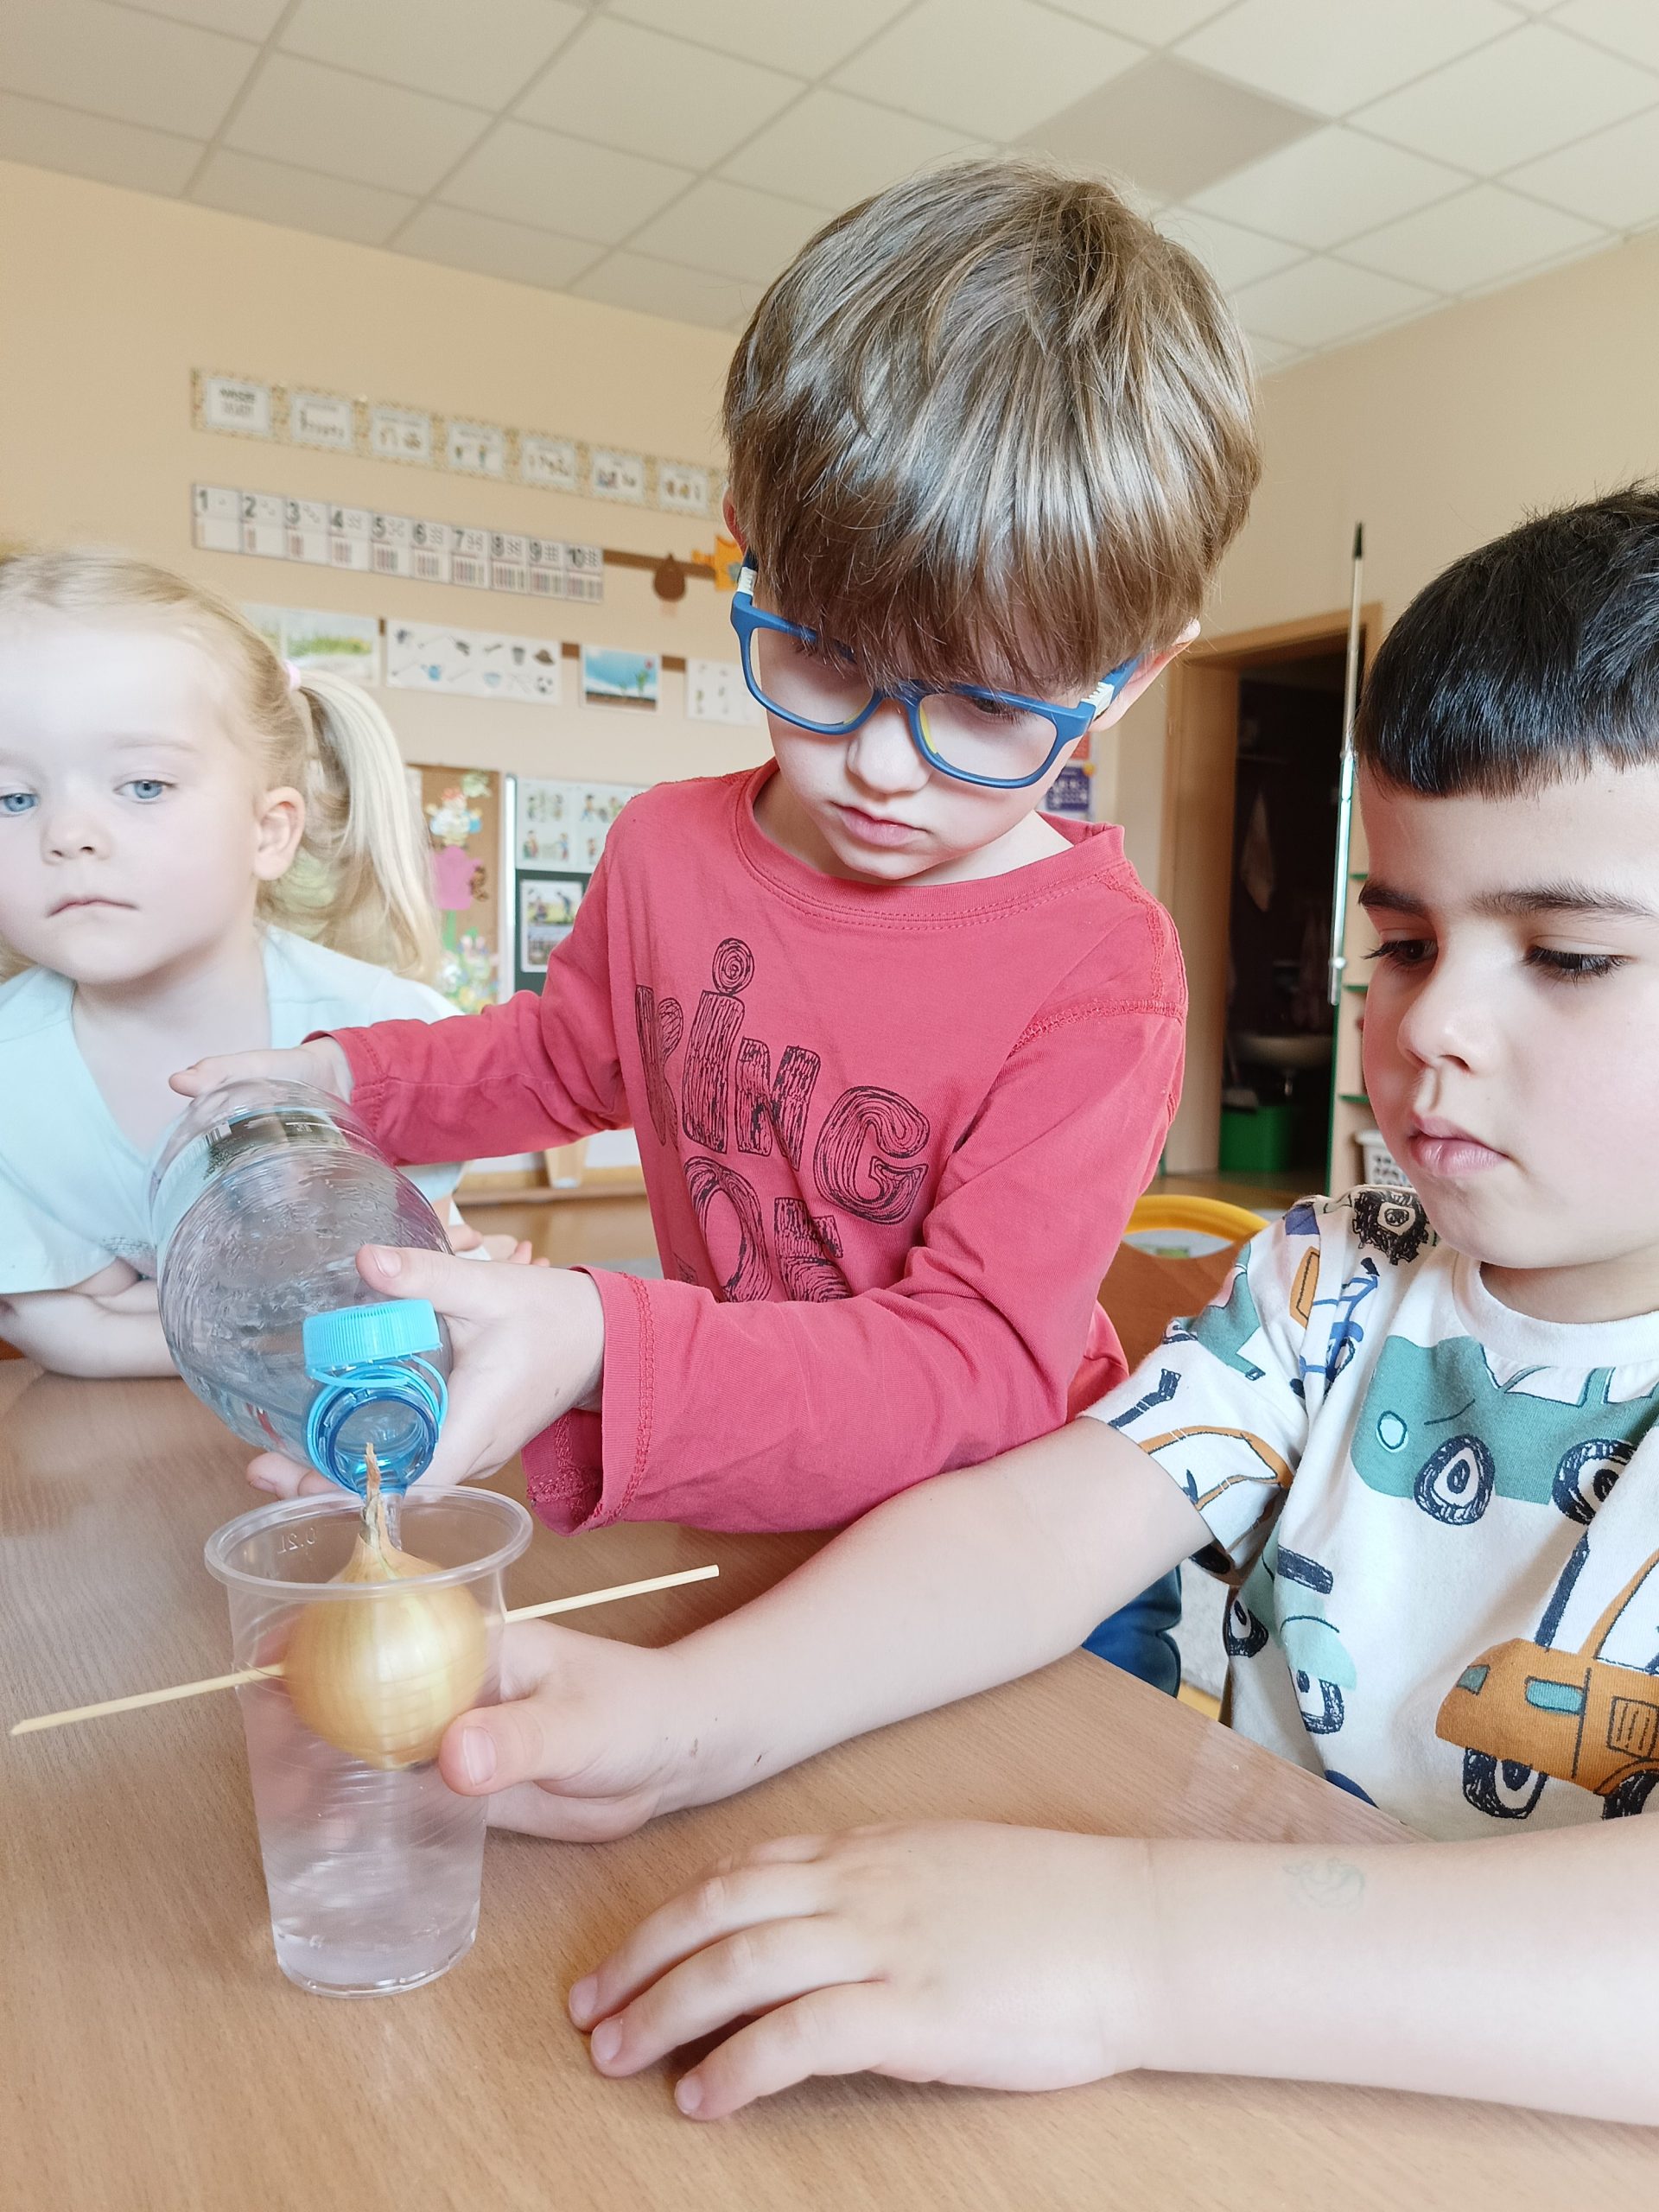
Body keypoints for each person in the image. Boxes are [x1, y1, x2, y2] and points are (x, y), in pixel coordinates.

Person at [425, 492, 1659, 2126]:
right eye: (1407, 940)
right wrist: (690, 1718)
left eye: (1566, 956)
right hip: (1237, 2090)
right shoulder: (1332, 1276)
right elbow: (1027, 1533)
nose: (1432, 1026)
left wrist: (1132, 1938)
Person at [178, 159, 1259, 1688]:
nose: (883, 764)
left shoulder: (1100, 972)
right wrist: (344, 1081)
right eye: (827, 660)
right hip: (767, 1499)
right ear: (748, 546)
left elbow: (973, 1365)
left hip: (1021, 1554)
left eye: (982, 707)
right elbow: (562, 1060)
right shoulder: (667, 849)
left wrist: (599, 1342)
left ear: (1129, 675)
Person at [0, 550, 513, 1379]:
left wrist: (145, 1306)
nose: (68, 834)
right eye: (13, 798)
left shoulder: (391, 1028)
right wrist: (325, 1307)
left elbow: (426, 1292)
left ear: (269, 831)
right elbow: (68, 1337)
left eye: (143, 785)